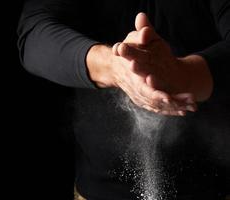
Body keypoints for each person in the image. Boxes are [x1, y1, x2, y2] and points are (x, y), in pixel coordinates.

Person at [18, 0, 230, 199]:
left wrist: (183, 75)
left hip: (214, 188)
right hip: (98, 191)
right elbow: (34, 32)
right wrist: (114, 67)